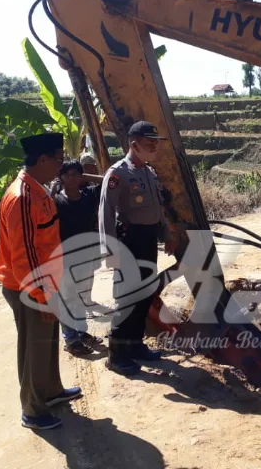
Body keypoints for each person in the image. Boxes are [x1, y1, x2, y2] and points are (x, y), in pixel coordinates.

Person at [0, 132, 82, 430]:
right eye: (58, 159)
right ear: (42, 159)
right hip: (28, 287)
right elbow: (25, 256)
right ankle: (33, 410)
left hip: (45, 281)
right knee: (34, 347)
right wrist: (42, 297)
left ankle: (51, 391)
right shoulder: (22, 197)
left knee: (48, 342)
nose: (61, 165)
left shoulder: (38, 190)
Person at [99, 120, 175, 375]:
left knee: (144, 294)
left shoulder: (148, 172)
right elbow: (106, 215)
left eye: (155, 141)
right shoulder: (118, 173)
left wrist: (167, 235)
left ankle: (135, 345)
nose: (154, 145)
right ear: (134, 144)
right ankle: (116, 355)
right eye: (149, 142)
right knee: (127, 298)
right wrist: (110, 252)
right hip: (128, 241)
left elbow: (158, 210)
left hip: (147, 239)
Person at [54, 160, 105, 356]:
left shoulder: (89, 196)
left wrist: (86, 177)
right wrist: (54, 189)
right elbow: (46, 209)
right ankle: (71, 339)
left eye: (76, 174)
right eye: (68, 175)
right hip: (65, 258)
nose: (72, 178)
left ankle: (81, 333)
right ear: (62, 177)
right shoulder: (57, 201)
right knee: (67, 298)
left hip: (87, 256)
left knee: (81, 297)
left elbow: (110, 179)